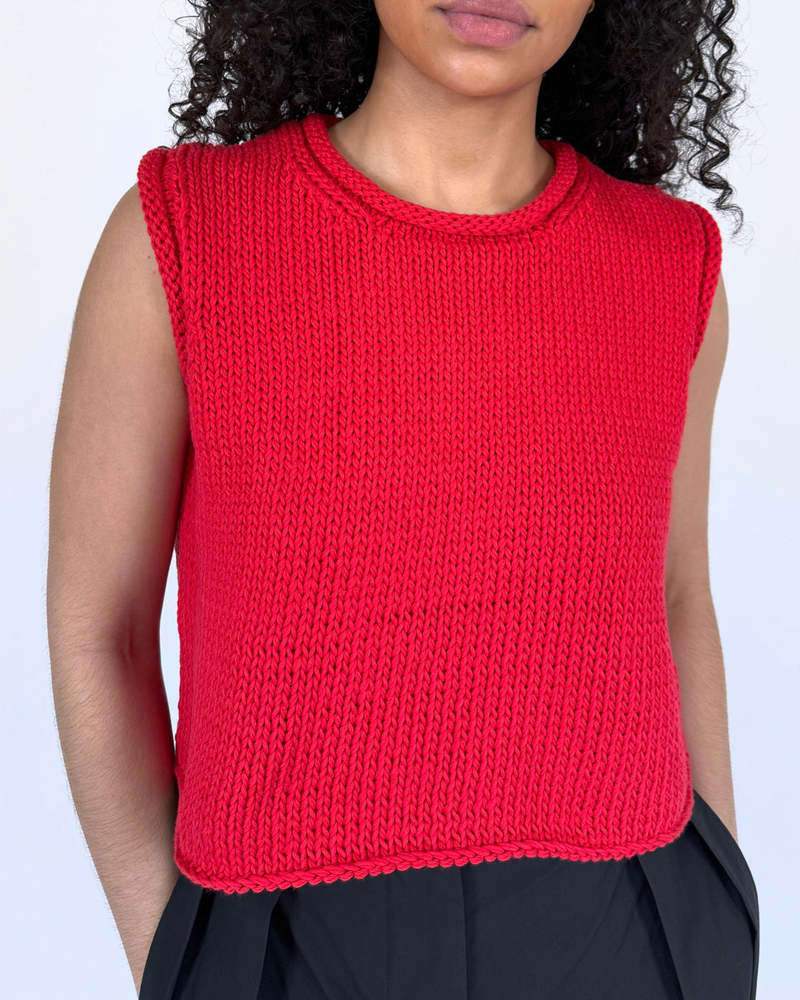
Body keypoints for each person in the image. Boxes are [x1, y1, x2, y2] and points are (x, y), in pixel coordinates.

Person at [47, 1, 760, 997]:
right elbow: (102, 629)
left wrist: (720, 903)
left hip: (630, 919)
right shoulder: (185, 235)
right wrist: (172, 952)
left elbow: (676, 595)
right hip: (278, 932)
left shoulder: (669, 265)